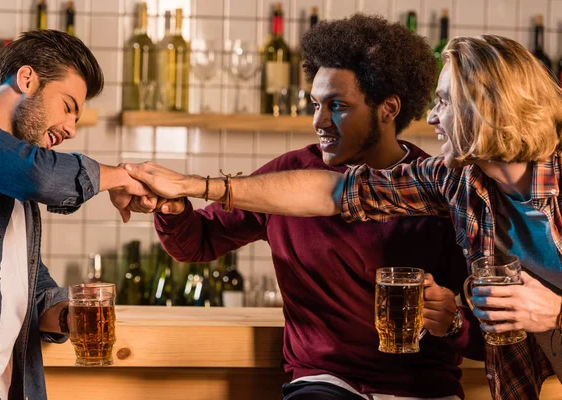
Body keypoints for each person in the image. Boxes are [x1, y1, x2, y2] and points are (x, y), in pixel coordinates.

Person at [123, 35, 562, 399]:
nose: (430, 116)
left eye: (445, 102)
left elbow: (475, 327)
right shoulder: (459, 182)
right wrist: (193, 187)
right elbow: (335, 190)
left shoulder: (477, 183)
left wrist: (556, 312)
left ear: (488, 108)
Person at [0, 30, 154, 400]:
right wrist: (120, 177)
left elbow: (17, 284)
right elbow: (37, 172)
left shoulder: (15, 181)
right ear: (27, 79)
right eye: (68, 106)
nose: (71, 129)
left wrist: (66, 314)